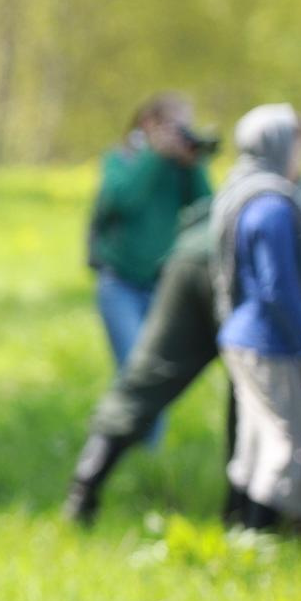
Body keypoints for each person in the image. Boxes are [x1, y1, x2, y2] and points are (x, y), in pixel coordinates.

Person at [62, 140, 301, 531]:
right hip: (241, 280)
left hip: (192, 255)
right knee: (263, 395)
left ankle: (83, 491)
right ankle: (247, 522)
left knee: (148, 380)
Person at [213, 104, 301, 530]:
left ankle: (242, 527)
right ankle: (259, 534)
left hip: (246, 335)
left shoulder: (241, 189)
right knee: (292, 444)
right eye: (296, 143)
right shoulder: (271, 204)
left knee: (258, 441)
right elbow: (276, 289)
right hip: (272, 342)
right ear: (279, 145)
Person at [87, 92, 214, 437]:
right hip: (120, 284)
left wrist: (193, 166)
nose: (181, 134)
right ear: (148, 124)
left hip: (161, 285)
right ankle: (111, 444)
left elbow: (207, 212)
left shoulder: (180, 169)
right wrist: (154, 158)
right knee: (133, 370)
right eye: (175, 126)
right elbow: (120, 202)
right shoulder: (121, 159)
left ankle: (145, 458)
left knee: (153, 374)